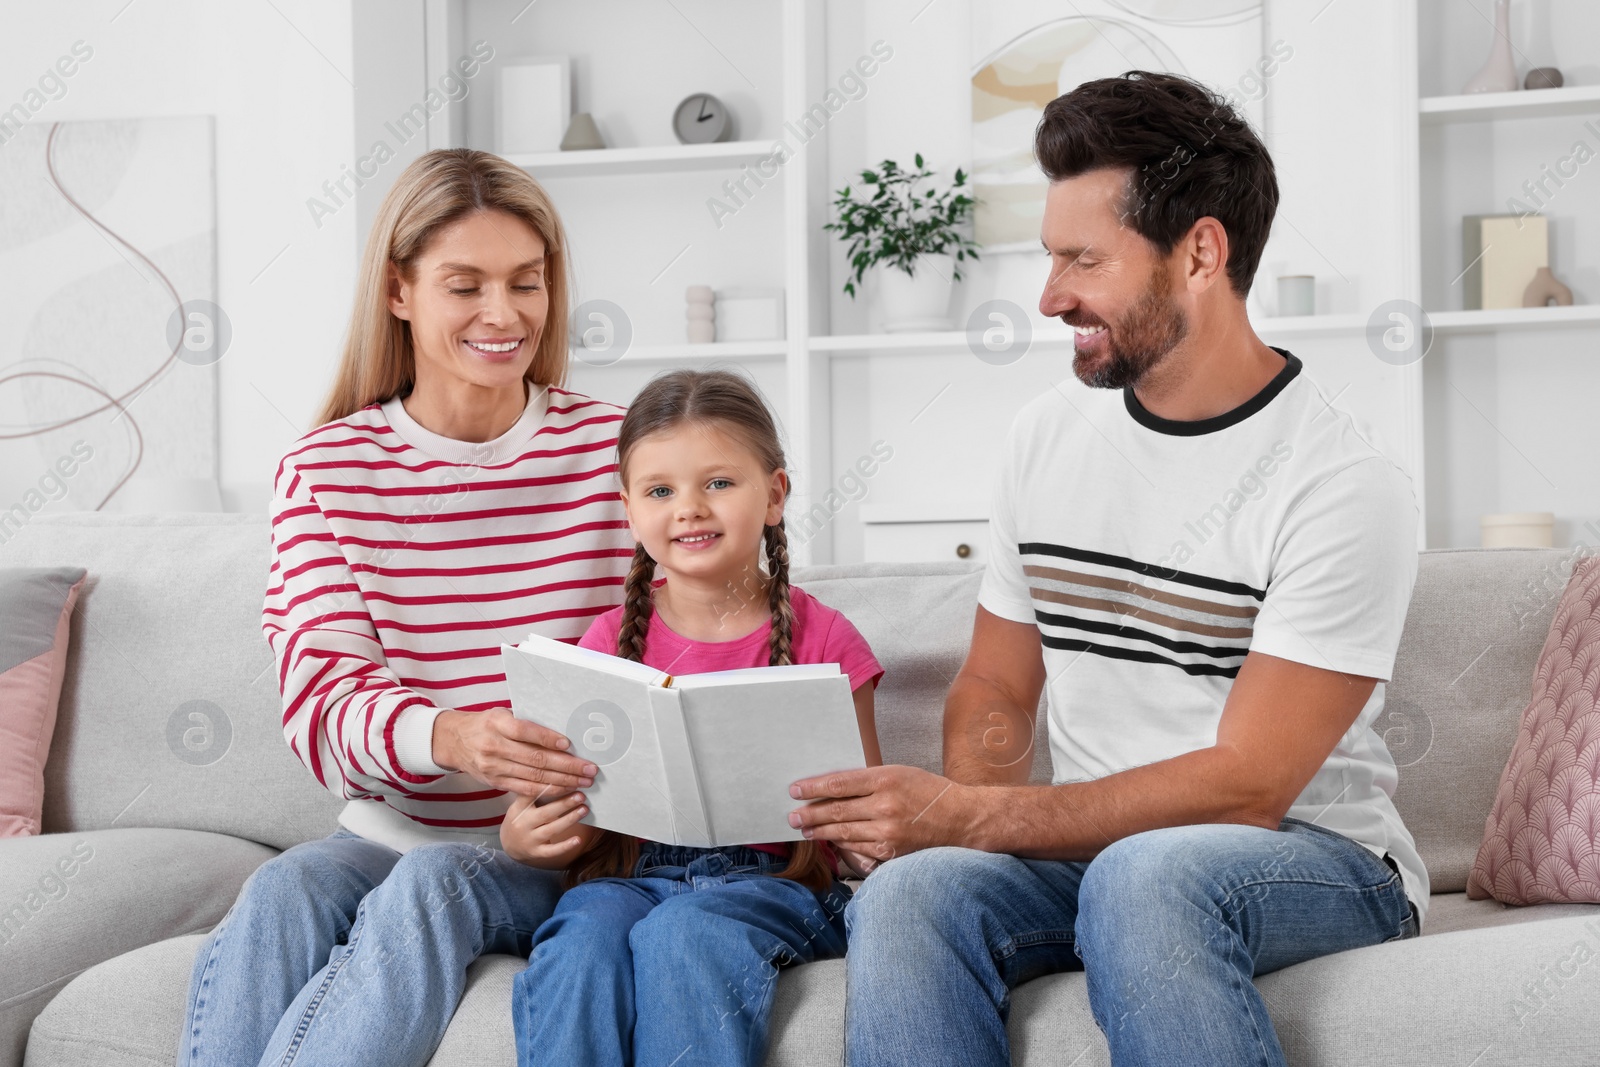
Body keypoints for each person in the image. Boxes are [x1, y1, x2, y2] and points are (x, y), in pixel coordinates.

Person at [788, 71, 1426, 1067]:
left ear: (1201, 253)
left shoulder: (1341, 481)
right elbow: (998, 685)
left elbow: (1249, 784)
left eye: (1083, 259)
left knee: (1146, 876)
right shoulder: (1048, 434)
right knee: (913, 891)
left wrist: (981, 813)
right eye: (1050, 257)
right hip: (1093, 849)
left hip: (1314, 855)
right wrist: (960, 825)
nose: (1049, 297)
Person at [179, 148, 634, 1067]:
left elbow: (697, 645)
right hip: (389, 832)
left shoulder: (617, 451)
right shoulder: (326, 470)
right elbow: (321, 707)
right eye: (464, 286)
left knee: (432, 878)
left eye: (526, 283)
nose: (503, 315)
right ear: (398, 291)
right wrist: (451, 734)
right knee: (283, 891)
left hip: (554, 848)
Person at [504, 368, 884, 1067]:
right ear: (628, 509)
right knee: (580, 941)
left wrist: (868, 839)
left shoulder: (827, 638)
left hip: (778, 887)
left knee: (684, 931)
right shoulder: (604, 642)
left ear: (774, 496)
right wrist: (528, 831)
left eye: (718, 483)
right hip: (630, 874)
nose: (689, 509)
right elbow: (559, 796)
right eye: (660, 490)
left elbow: (867, 816)